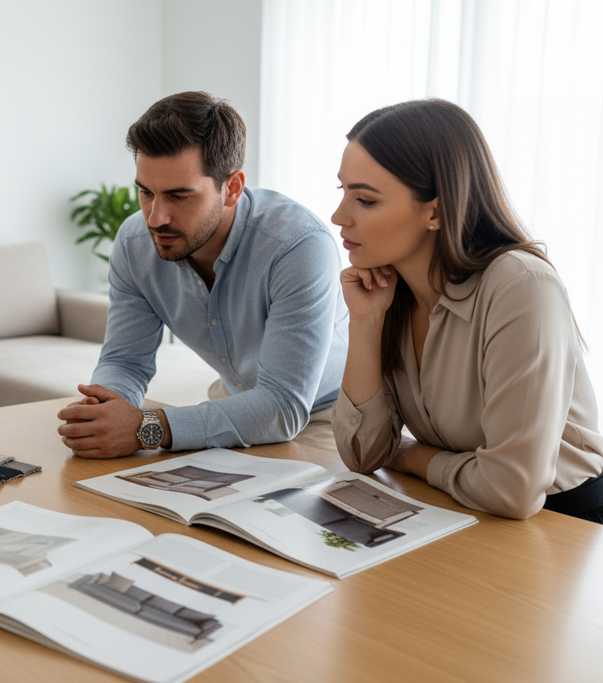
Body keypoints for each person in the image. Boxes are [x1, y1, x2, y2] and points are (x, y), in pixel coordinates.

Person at [330, 98, 603, 522]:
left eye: (365, 200)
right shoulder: (389, 291)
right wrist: (366, 323)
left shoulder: (520, 286)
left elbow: (513, 490)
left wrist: (414, 458)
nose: (338, 216)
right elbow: (362, 454)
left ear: (435, 211)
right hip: (461, 509)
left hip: (565, 525)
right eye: (342, 191)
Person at [57, 91, 348, 458]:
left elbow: (282, 405)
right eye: (145, 192)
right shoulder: (134, 244)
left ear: (233, 188)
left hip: (327, 414)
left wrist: (148, 427)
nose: (155, 218)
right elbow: (125, 361)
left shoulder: (298, 247)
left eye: (180, 196)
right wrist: (103, 409)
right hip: (239, 400)